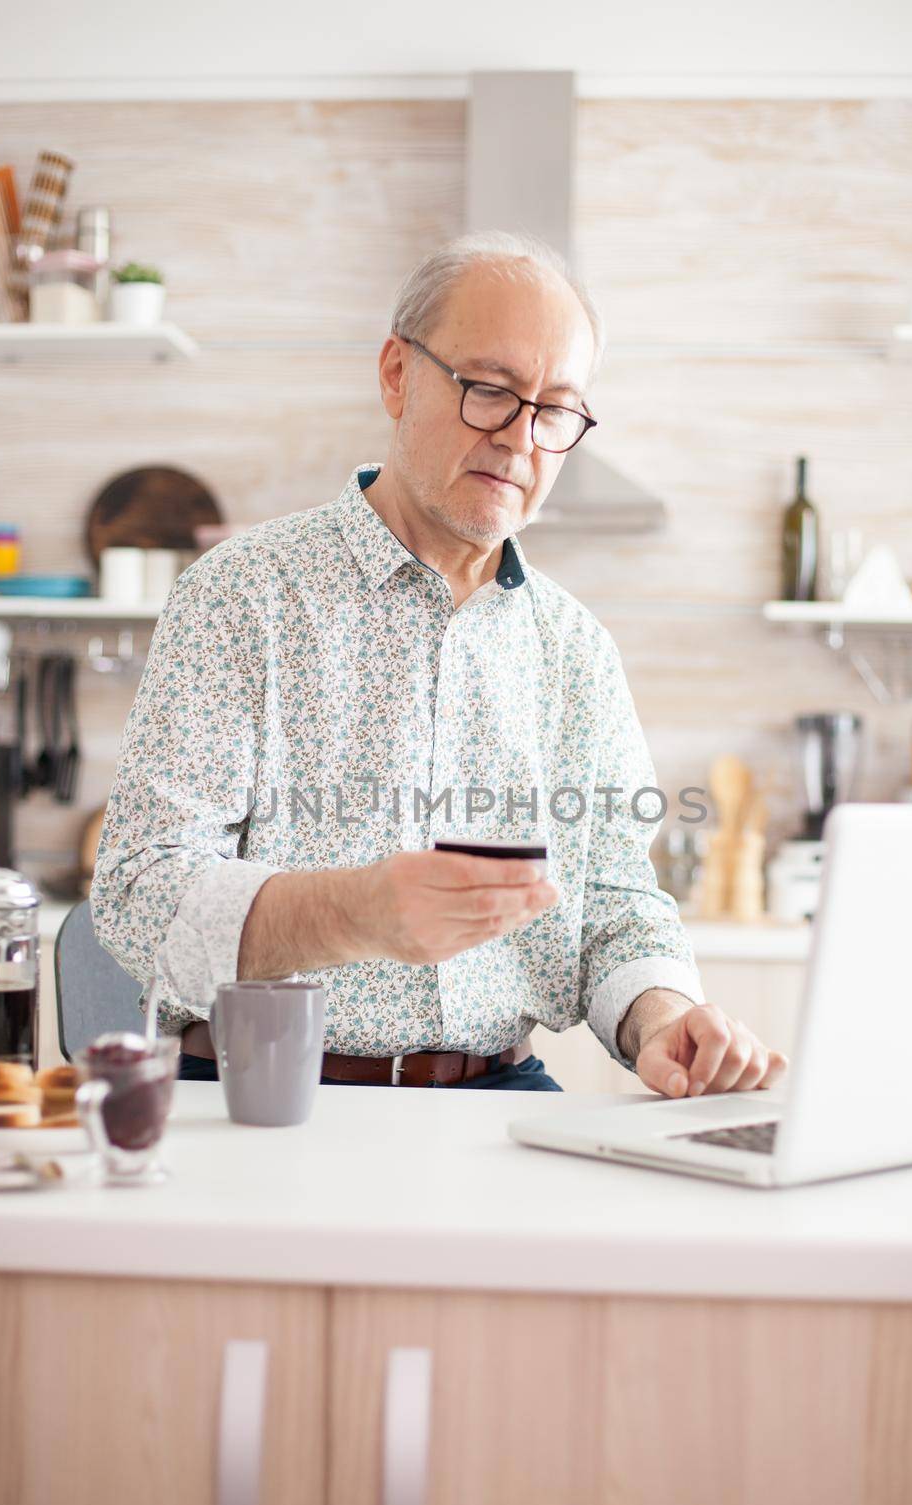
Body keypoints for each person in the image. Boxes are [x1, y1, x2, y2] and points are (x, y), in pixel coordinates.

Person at [92, 229, 788, 1097]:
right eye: (491, 391)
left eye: (556, 411)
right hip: (264, 1088)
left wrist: (664, 1015)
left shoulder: (574, 651)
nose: (520, 439)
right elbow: (137, 894)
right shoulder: (242, 595)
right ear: (396, 372)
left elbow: (615, 903)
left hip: (500, 1089)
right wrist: (352, 914)